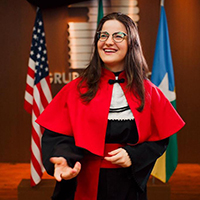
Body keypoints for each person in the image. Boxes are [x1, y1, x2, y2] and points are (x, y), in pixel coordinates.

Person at [36, 12, 185, 200]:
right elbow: (57, 136)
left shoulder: (149, 92)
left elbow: (159, 140)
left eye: (118, 36)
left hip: (127, 185)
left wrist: (134, 155)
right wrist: (62, 160)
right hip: (80, 182)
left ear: (132, 42)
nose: (108, 42)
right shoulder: (75, 89)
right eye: (103, 35)